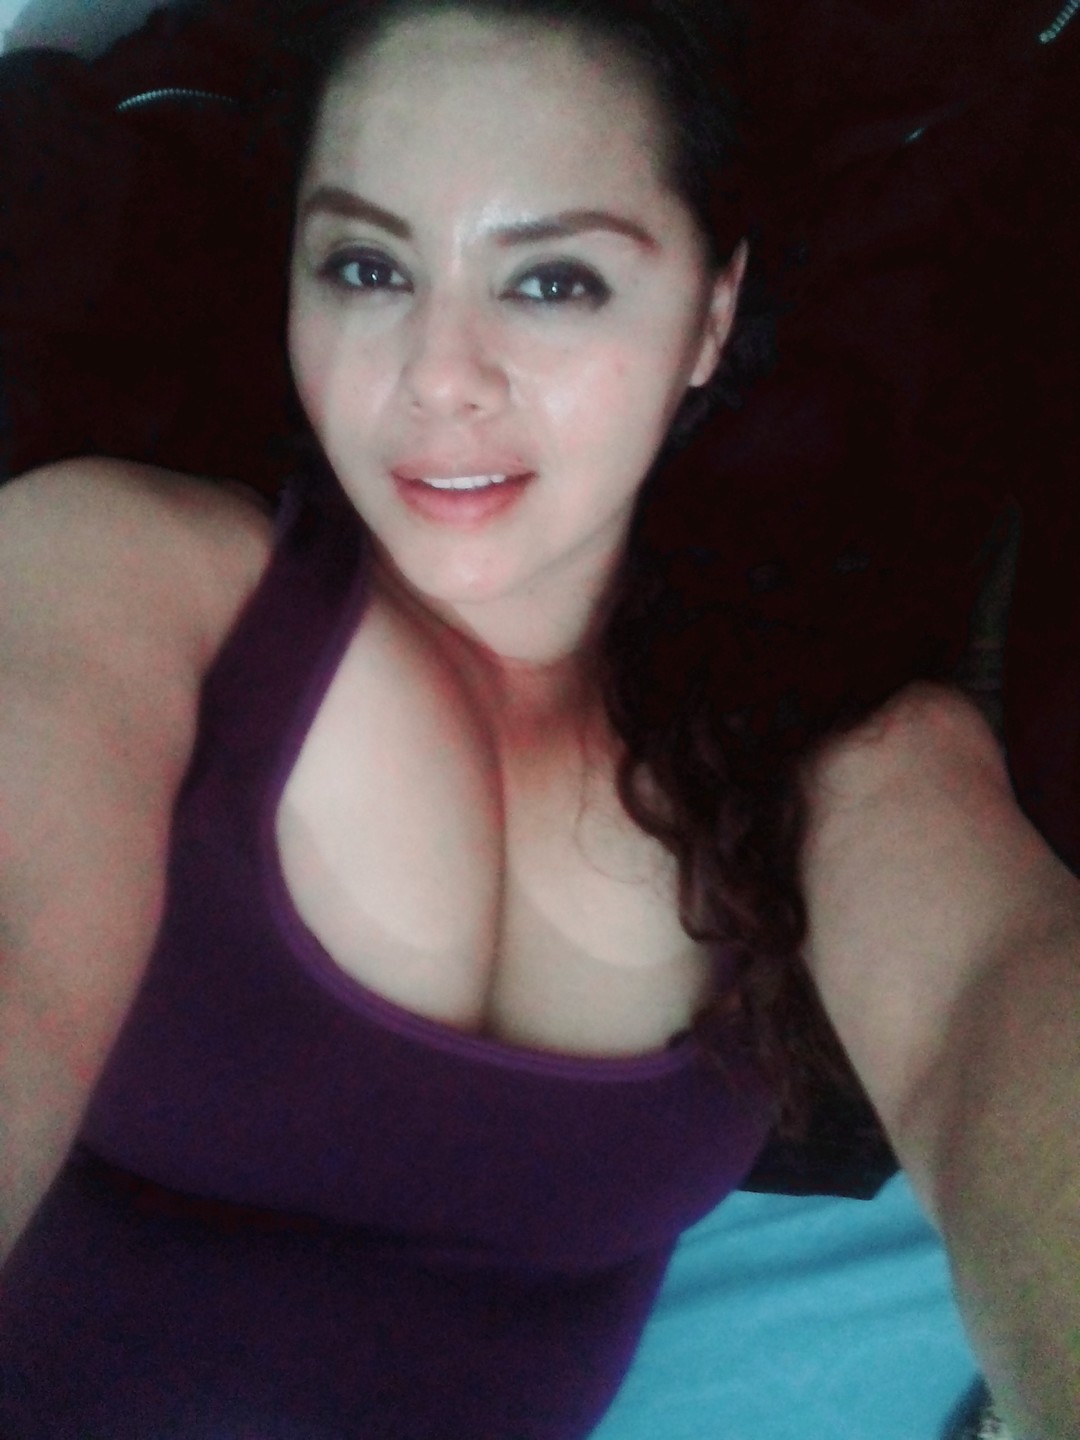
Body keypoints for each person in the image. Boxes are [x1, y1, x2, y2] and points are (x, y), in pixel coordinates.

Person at [0, 1, 1076, 1436]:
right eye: (367, 267)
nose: (439, 375)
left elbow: (989, 1009)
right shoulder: (121, 572)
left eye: (555, 281)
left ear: (709, 317)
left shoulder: (830, 760)